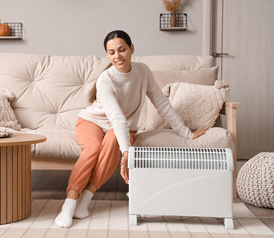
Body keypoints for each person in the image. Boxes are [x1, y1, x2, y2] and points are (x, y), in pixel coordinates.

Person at [55, 30, 207, 228]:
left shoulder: (143, 71)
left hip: (123, 128)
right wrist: (127, 152)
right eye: (111, 52)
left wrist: (186, 132)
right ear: (107, 55)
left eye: (122, 50)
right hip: (91, 122)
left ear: (131, 48)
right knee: (92, 149)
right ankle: (69, 204)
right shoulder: (105, 79)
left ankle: (85, 199)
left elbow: (162, 103)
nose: (117, 56)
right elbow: (116, 116)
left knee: (112, 140)